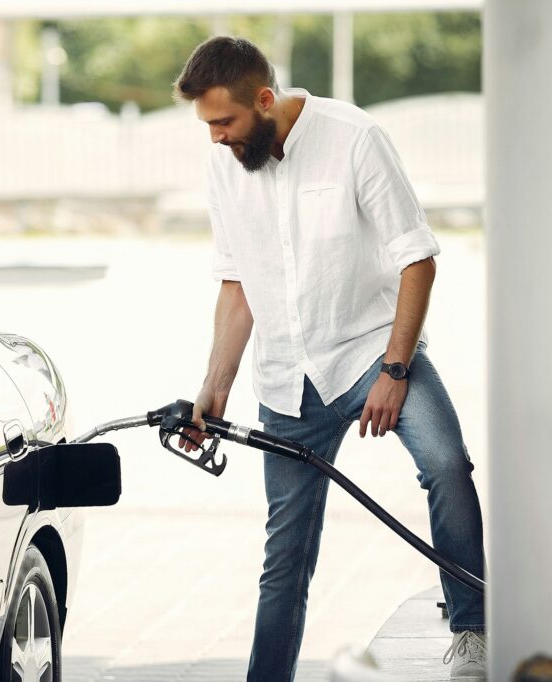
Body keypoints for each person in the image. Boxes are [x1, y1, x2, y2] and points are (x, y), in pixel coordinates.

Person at [173, 37, 487, 680]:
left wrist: (396, 370)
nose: (215, 138)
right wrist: (214, 387)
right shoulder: (224, 164)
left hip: (373, 351)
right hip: (286, 379)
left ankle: (472, 630)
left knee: (447, 465)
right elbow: (237, 284)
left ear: (265, 99)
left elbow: (416, 256)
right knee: (284, 554)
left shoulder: (354, 137)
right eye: (207, 125)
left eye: (224, 122)